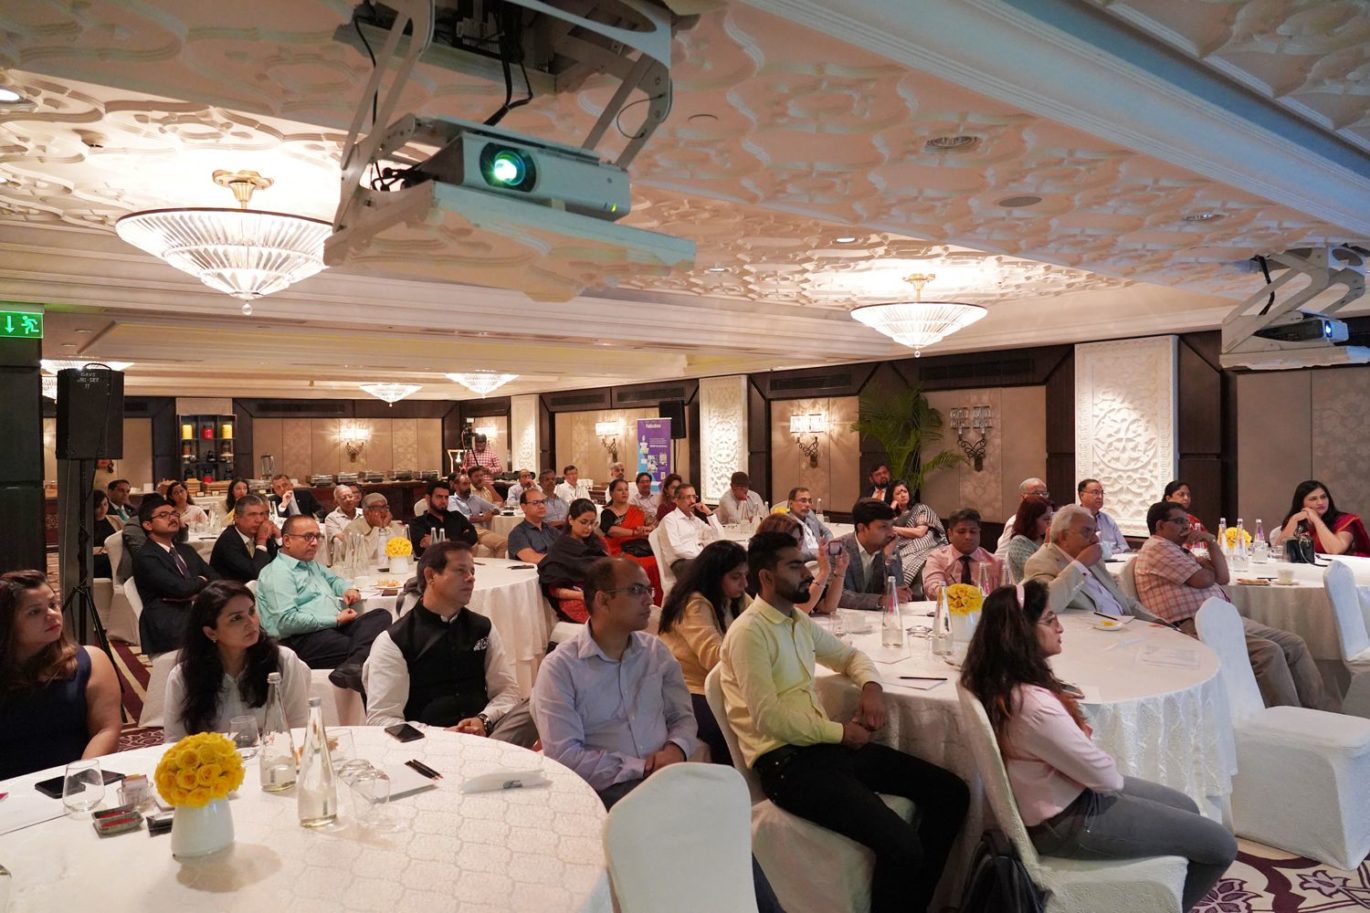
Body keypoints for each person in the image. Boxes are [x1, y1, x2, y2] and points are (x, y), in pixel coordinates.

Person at [720, 532, 969, 913]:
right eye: (795, 566)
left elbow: (850, 656)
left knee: (952, 793)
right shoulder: (749, 633)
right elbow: (770, 719)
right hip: (787, 766)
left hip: (822, 750)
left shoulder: (795, 621)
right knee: (902, 846)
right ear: (766, 577)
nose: (807, 574)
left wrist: (871, 687)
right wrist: (841, 733)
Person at [960, 581, 1236, 913]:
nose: (1060, 627)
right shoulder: (1034, 706)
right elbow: (1106, 778)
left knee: (1186, 804)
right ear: (1021, 632)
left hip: (1062, 797)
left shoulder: (1002, 682)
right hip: (1067, 821)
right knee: (1221, 845)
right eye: (1050, 620)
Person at [1135, 500, 1333, 710]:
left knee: (1294, 644)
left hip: (1220, 619)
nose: (1186, 527)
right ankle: (1289, 719)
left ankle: (1318, 711)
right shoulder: (1158, 547)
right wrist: (1206, 570)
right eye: (1179, 522)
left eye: (1187, 522)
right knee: (1269, 652)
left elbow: (1222, 576)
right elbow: (1204, 580)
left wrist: (1211, 542)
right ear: (1160, 525)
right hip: (1192, 624)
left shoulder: (1178, 549)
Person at [533, 556, 696, 808]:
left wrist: (676, 749)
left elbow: (682, 716)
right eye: (636, 590)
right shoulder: (561, 668)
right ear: (603, 600)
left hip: (667, 777)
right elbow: (565, 756)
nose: (648, 599)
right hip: (604, 790)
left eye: (648, 590)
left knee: (729, 811)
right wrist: (641, 768)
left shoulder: (656, 653)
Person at [364, 541, 537, 747]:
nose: (471, 578)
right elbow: (382, 718)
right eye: (460, 570)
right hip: (428, 743)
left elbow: (507, 690)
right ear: (430, 576)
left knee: (538, 702)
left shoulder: (482, 627)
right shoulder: (395, 640)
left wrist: (483, 720)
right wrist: (443, 734)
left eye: (472, 571)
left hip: (487, 734)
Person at [0, 570, 122, 779]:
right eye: (34, 612)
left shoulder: (91, 661)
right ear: (7, 623)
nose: (52, 615)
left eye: (53, 604)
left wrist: (78, 779)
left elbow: (106, 729)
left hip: (75, 779)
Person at [255, 515, 392, 691]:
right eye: (307, 537)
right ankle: (357, 662)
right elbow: (286, 621)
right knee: (374, 646)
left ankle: (355, 663)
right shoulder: (278, 573)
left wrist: (347, 589)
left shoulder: (310, 564)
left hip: (332, 627)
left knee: (380, 616)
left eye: (317, 536)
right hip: (300, 638)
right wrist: (335, 620)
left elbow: (334, 580)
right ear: (287, 540)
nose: (314, 543)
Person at [163, 580, 311, 741]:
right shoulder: (184, 675)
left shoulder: (282, 661)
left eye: (252, 611)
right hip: (214, 757)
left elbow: (300, 728)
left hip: (273, 753)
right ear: (211, 633)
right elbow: (175, 742)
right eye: (236, 618)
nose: (251, 623)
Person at [656, 540, 749, 764]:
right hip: (689, 686)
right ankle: (729, 780)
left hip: (720, 682)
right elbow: (713, 658)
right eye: (736, 577)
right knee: (727, 730)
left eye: (746, 576)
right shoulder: (694, 604)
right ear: (714, 576)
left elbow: (762, 622)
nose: (744, 583)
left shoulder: (735, 598)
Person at [1023, 505, 1162, 622]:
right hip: (1096, 636)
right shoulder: (1040, 562)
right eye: (1087, 532)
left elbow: (1123, 600)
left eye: (1095, 532)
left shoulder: (1094, 560)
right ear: (1063, 537)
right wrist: (1080, 565)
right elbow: (1046, 604)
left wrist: (1157, 621)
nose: (1095, 539)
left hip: (1126, 626)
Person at [133, 494, 220, 655]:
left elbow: (215, 578)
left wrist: (196, 590)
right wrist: (201, 580)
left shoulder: (186, 550)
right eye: (163, 515)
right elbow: (180, 589)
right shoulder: (146, 556)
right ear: (147, 524)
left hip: (198, 610)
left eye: (174, 514)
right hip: (169, 618)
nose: (172, 518)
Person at [756, 514, 848, 615]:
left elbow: (828, 606)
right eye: (792, 541)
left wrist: (840, 572)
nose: (799, 546)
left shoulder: (798, 568)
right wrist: (823, 573)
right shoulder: (765, 570)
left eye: (800, 540)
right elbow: (795, 612)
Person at [538, 498, 609, 623]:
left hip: (600, 592)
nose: (589, 527)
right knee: (606, 618)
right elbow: (553, 589)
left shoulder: (596, 542)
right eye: (584, 522)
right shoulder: (560, 548)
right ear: (571, 519)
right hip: (575, 598)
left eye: (592, 523)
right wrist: (582, 595)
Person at [837, 498, 909, 610]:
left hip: (878, 617)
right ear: (862, 528)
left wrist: (887, 558)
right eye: (883, 527)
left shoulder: (890, 549)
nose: (892, 533)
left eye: (892, 526)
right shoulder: (838, 549)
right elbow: (838, 596)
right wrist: (880, 600)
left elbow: (898, 594)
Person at [921, 508, 1002, 602]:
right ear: (950, 534)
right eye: (961, 532)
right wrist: (962, 596)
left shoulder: (996, 563)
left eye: (973, 531)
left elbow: (1007, 597)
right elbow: (932, 590)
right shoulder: (937, 558)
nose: (968, 537)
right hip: (948, 609)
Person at [1275, 479, 1370, 557]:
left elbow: (1335, 550)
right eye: (1313, 499)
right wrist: (1294, 519)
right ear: (1301, 503)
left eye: (1323, 497)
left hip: (1340, 568)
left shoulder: (1344, 521)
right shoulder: (1298, 521)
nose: (1320, 502)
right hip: (1306, 568)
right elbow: (1279, 549)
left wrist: (1316, 519)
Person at [209, 493, 280, 583]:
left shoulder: (260, 534)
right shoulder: (228, 540)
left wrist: (279, 538)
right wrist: (261, 540)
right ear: (236, 518)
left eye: (262, 514)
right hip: (231, 589)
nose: (259, 520)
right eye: (252, 514)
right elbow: (255, 574)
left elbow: (281, 565)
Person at [658, 483, 724, 577]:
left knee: (729, 561)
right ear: (676, 500)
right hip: (681, 563)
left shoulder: (695, 520)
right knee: (717, 567)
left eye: (694, 497)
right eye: (688, 497)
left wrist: (709, 513)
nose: (692, 501)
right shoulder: (670, 520)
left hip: (698, 559)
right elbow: (677, 550)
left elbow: (719, 536)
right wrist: (702, 557)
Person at [889, 480, 944, 589]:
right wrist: (890, 509)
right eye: (898, 493)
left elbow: (920, 532)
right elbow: (882, 527)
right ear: (892, 497)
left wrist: (893, 528)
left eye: (904, 491)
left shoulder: (921, 509)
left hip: (923, 545)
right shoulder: (893, 516)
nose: (902, 495)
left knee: (910, 564)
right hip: (900, 548)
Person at [409, 480, 478, 557]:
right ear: (428, 498)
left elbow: (473, 536)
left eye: (446, 497)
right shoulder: (418, 522)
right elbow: (419, 550)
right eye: (439, 497)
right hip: (434, 562)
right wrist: (460, 539)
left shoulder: (457, 516)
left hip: (460, 560)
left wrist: (441, 541)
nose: (444, 501)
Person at [447, 472, 507, 557]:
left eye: (469, 484)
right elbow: (460, 518)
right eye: (465, 484)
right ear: (456, 486)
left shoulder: (474, 498)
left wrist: (492, 512)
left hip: (479, 531)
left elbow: (496, 508)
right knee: (471, 548)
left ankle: (497, 566)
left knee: (503, 543)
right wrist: (482, 518)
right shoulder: (451, 500)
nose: (468, 487)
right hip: (463, 532)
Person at [343, 493, 406, 564]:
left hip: (393, 567)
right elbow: (362, 558)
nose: (383, 511)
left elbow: (402, 553)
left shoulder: (394, 526)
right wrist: (377, 528)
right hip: (366, 569)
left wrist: (386, 527)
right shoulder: (352, 529)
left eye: (385, 507)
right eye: (377, 508)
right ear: (366, 512)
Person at [995, 477, 1051, 554]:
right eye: (1036, 493)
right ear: (1023, 497)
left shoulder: (1050, 518)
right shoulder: (1016, 523)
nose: (1041, 497)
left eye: (1044, 494)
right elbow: (1001, 555)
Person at [1003, 496, 1053, 583]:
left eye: (1051, 519)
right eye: (1046, 519)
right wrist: (1047, 545)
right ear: (1031, 520)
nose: (1050, 523)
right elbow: (1037, 570)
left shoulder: (1042, 537)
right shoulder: (1019, 542)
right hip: (1029, 589)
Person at [508, 487, 561, 564]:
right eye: (536, 502)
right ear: (524, 507)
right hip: (535, 570)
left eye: (543, 502)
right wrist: (562, 559)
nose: (542, 506)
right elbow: (532, 558)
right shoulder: (517, 534)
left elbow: (568, 549)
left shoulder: (551, 530)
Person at [1078, 479, 1129, 555]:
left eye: (1101, 493)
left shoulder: (1108, 520)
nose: (1100, 497)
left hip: (1113, 560)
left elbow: (1124, 547)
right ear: (1082, 495)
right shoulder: (1074, 520)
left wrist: (1108, 553)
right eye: (1095, 493)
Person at [787, 487, 831, 559]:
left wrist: (829, 545)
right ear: (791, 503)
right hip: (804, 562)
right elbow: (795, 553)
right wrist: (819, 552)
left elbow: (827, 532)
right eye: (803, 501)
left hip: (822, 558)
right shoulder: (786, 524)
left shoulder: (810, 515)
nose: (808, 505)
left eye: (809, 501)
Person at [92, 489, 122, 579]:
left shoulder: (116, 520)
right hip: (96, 559)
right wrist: (101, 549)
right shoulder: (84, 524)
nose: (103, 509)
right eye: (98, 506)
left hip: (115, 555)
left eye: (105, 504)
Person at [323, 482, 361, 552]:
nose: (348, 500)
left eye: (350, 496)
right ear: (336, 502)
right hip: (344, 554)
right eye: (344, 498)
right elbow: (340, 539)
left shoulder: (363, 513)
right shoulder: (331, 518)